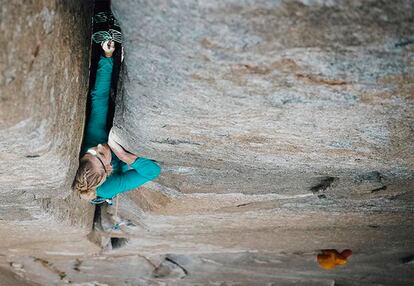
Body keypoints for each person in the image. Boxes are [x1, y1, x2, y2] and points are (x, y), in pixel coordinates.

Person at [73, 40, 160, 202]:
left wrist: (107, 56)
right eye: (100, 153)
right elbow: (153, 172)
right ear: (108, 167)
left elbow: (99, 98)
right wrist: (123, 155)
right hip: (104, 189)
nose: (97, 147)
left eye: (90, 152)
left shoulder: (93, 140)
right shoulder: (109, 186)